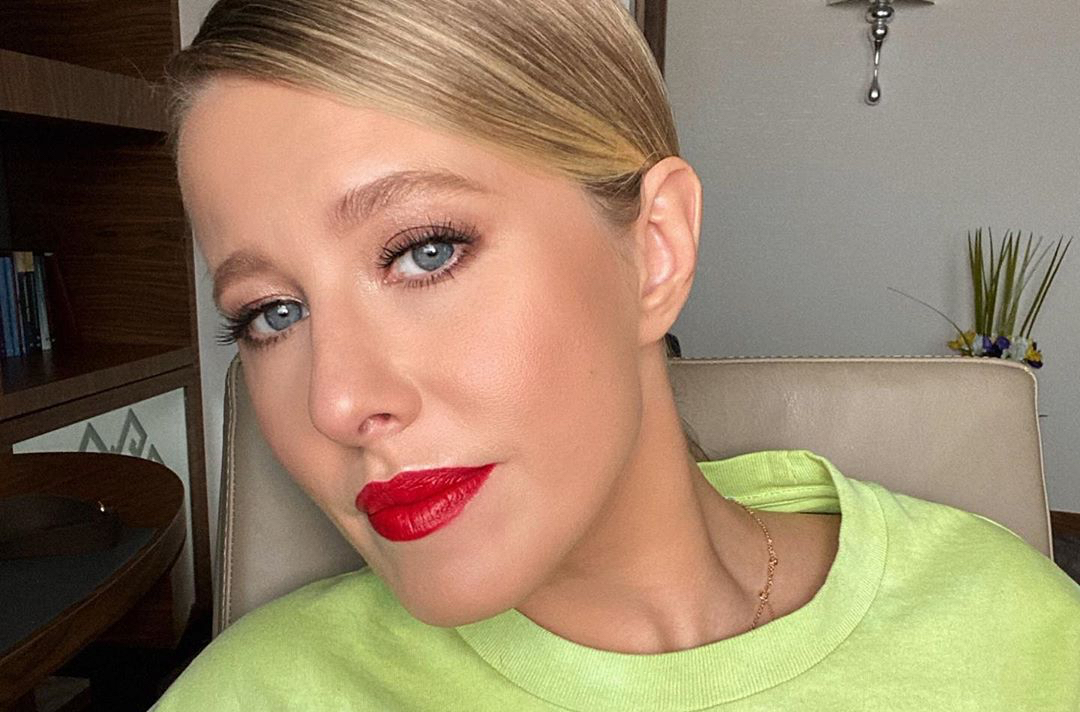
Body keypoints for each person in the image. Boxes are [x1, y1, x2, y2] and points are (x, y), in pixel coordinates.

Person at [153, 0, 1080, 709]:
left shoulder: (1012, 633)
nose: (336, 402)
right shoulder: (256, 695)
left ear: (654, 251)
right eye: (272, 313)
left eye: (425, 251)